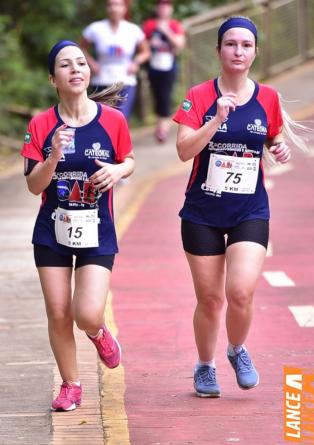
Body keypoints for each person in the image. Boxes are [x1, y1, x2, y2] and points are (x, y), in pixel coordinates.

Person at [173, 16, 304, 397]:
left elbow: (272, 138)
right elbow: (184, 150)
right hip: (202, 213)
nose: (238, 51)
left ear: (255, 52)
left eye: (246, 45)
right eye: (230, 44)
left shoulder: (268, 98)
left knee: (241, 292)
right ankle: (205, 365)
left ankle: (236, 349)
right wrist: (216, 119)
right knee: (211, 300)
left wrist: (277, 147)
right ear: (218, 50)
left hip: (250, 210)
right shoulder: (198, 96)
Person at [21, 40, 135, 411]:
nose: (75, 70)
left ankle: (98, 333)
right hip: (52, 230)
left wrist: (118, 170)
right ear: (53, 78)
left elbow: (128, 159)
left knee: (85, 312)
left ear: (89, 72)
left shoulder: (112, 120)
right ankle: (71, 385)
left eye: (81, 63)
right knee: (57, 312)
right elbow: (34, 184)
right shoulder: (41, 124)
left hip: (97, 229)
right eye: (65, 66)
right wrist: (53, 153)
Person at [80, 0, 150, 120]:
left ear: (125, 8)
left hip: (125, 81)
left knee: (120, 119)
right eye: (110, 5)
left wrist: (136, 62)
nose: (114, 8)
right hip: (101, 81)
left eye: (117, 4)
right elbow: (80, 48)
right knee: (101, 120)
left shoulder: (133, 30)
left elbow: (146, 51)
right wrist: (91, 63)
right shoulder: (95, 28)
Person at [143, 0, 185, 142]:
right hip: (153, 65)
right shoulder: (149, 25)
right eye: (161, 6)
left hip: (169, 65)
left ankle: (162, 129)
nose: (163, 9)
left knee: (165, 95)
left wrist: (166, 30)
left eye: (166, 6)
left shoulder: (174, 25)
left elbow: (179, 46)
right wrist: (150, 43)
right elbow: (141, 46)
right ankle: (160, 124)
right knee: (157, 95)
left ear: (171, 9)